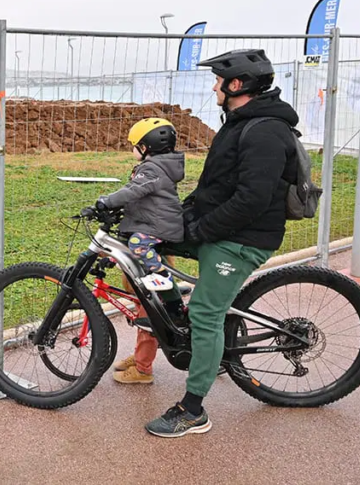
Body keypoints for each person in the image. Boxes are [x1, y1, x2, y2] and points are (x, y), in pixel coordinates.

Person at [145, 48, 299, 438]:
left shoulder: (265, 131)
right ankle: (175, 321)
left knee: (206, 314)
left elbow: (252, 200)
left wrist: (200, 230)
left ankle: (192, 410)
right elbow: (217, 186)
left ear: (237, 84)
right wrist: (176, 219)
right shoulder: (239, 122)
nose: (214, 87)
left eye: (218, 80)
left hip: (241, 239)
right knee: (142, 245)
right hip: (220, 229)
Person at [95, 118, 185, 385]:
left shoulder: (152, 168)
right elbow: (143, 199)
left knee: (149, 304)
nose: (132, 149)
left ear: (146, 147)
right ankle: (140, 358)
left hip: (151, 235)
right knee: (142, 301)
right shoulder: (158, 167)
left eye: (134, 145)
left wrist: (106, 201)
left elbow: (134, 191)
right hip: (147, 228)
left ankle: (143, 368)